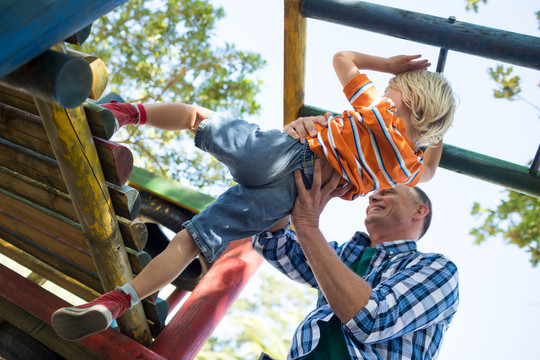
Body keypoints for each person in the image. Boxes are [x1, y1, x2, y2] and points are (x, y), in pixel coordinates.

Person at [50, 51, 456, 342]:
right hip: (294, 199)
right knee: (190, 242)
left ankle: (124, 114)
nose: (387, 90)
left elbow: (342, 59)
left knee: (197, 117)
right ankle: (118, 301)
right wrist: (434, 132)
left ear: (406, 97)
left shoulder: (377, 109)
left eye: (393, 88)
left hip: (285, 153)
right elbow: (432, 167)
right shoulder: (406, 168)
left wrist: (387, 65)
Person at [254, 152, 459, 359]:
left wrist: (307, 225)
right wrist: (296, 181)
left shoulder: (437, 268)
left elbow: (374, 319)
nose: (372, 196)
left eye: (389, 192)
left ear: (419, 211)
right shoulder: (344, 256)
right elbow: (273, 243)